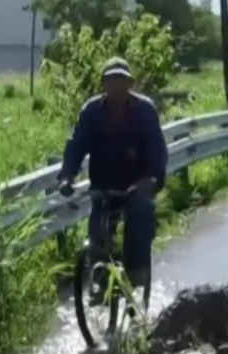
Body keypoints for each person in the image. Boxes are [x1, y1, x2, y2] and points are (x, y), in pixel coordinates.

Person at [56, 57, 168, 301]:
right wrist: (66, 176)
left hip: (136, 183)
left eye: (122, 81)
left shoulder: (145, 111)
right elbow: (76, 146)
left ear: (130, 84)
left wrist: (152, 178)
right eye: (111, 81)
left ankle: (137, 274)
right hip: (104, 183)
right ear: (103, 85)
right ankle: (100, 283)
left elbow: (156, 149)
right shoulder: (91, 112)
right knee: (97, 233)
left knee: (140, 215)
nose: (117, 87)